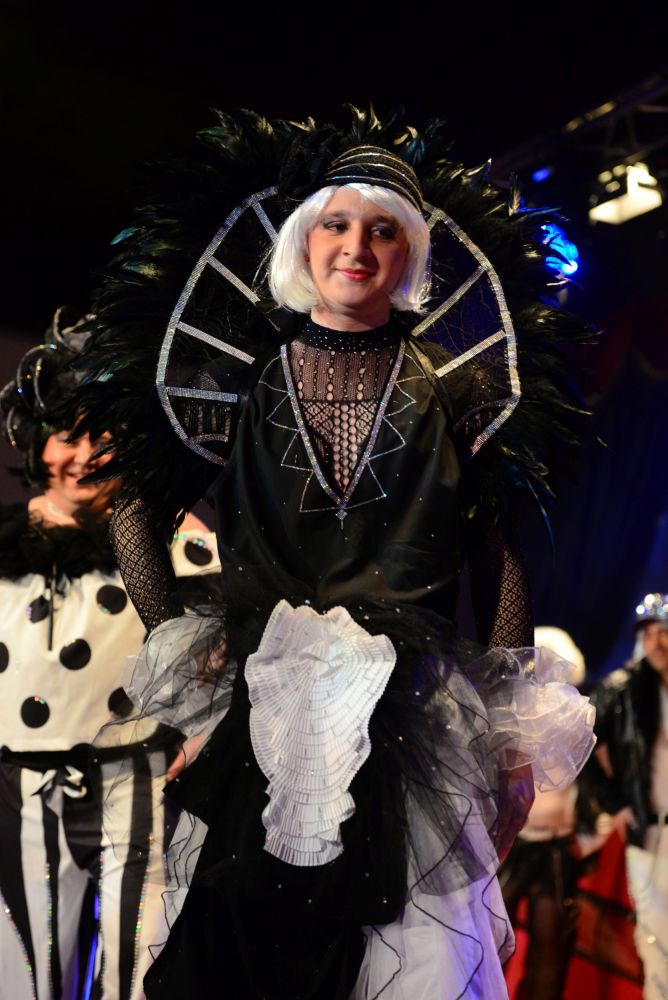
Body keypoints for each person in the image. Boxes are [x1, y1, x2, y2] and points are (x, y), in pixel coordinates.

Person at [73, 109, 596, 999]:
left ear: (411, 253)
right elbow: (136, 511)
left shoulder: (458, 387)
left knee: (403, 957)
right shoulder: (240, 380)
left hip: (413, 720)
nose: (356, 246)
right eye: (337, 224)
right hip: (265, 717)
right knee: (242, 957)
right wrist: (179, 645)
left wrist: (511, 733)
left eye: (383, 230)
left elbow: (496, 554)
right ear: (302, 243)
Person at [0, 309, 219, 1000]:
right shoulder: (5, 547)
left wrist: (205, 735)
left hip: (140, 778)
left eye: (105, 435)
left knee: (140, 968)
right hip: (25, 787)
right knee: (32, 970)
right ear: (37, 442)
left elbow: (229, 656)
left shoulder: (174, 541)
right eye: (67, 435)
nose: (86, 453)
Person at [587, 593, 668, 999]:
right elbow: (580, 747)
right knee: (655, 938)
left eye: (664, 632)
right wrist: (614, 804)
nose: (657, 642)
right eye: (648, 634)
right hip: (649, 832)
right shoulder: (622, 688)